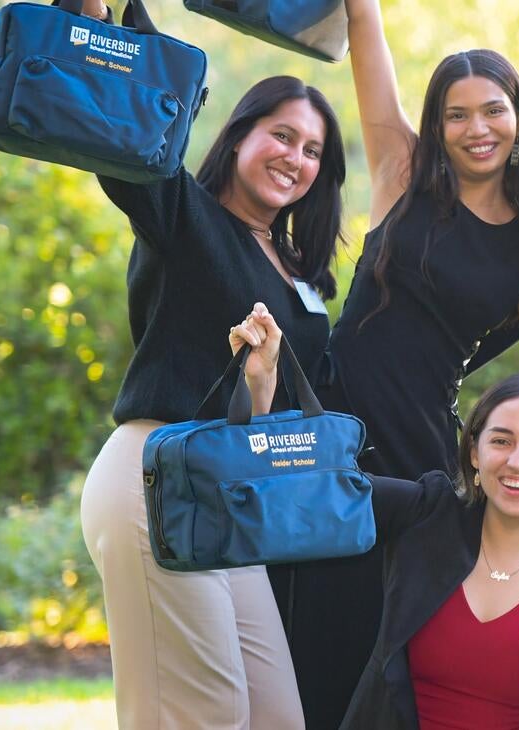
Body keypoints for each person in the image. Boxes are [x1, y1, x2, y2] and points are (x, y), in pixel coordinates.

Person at [274, 1, 519, 725]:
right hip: (322, 422)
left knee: (383, 654)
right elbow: (364, 35)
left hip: (413, 453)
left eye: (492, 110)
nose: (476, 128)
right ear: (438, 126)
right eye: (455, 114)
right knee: (303, 631)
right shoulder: (404, 171)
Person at [75, 0, 348, 719]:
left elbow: (284, 407)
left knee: (277, 717)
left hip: (230, 503)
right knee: (204, 713)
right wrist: (111, 18)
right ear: (237, 138)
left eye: (313, 150)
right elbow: (138, 138)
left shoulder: (301, 275)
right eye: (281, 135)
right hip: (157, 476)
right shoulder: (185, 215)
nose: (296, 157)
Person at [234, 305, 519, 730]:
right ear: (474, 452)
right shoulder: (428, 513)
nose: (518, 461)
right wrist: (260, 388)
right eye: (501, 440)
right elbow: (312, 490)